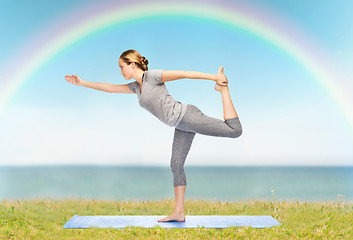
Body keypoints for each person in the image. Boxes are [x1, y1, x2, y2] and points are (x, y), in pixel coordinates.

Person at [65, 49, 242, 222]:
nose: (120, 71)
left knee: (234, 130)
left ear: (132, 64)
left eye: (121, 67)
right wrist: (82, 83)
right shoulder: (136, 87)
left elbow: (185, 74)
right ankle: (179, 213)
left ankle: (223, 91)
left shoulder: (152, 77)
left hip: (187, 116)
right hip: (180, 125)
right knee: (176, 164)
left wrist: (215, 78)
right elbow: (110, 88)